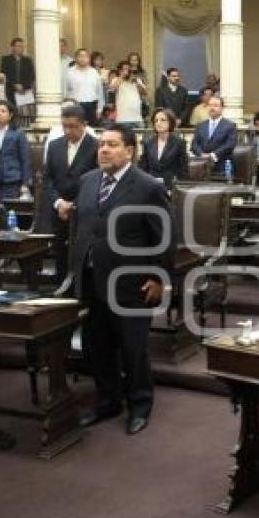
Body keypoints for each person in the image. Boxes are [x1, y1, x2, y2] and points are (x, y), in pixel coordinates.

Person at [73, 123, 173, 436]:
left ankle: (140, 405)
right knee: (97, 346)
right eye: (101, 143)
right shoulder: (87, 181)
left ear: (129, 150)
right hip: (91, 279)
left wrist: (160, 279)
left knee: (133, 349)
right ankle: (108, 401)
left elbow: (165, 236)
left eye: (112, 144)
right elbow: (83, 227)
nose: (103, 149)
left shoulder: (147, 186)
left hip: (131, 283)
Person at [44, 104, 98, 285]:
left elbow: (97, 182)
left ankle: (81, 294)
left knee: (81, 255)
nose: (68, 131)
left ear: (84, 125)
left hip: (84, 212)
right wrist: (59, 202)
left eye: (73, 126)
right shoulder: (54, 146)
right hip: (58, 210)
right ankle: (61, 294)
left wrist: (74, 204)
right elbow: (47, 180)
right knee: (60, 253)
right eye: (65, 126)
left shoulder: (96, 146)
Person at [0, 100, 31, 202]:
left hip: (12, 181)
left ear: (10, 115)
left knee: (10, 214)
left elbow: (25, 160)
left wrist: (25, 184)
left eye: (3, 111)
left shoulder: (18, 133)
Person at [139, 108, 189, 187]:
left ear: (171, 122)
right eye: (156, 121)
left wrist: (180, 189)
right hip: (150, 185)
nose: (159, 123)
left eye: (163, 120)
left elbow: (183, 171)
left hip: (171, 186)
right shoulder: (148, 142)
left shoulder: (179, 143)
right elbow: (143, 168)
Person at [190, 94, 236, 174]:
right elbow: (194, 144)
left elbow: (229, 145)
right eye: (210, 105)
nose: (212, 108)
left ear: (222, 108)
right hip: (200, 167)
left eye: (215, 105)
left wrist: (213, 155)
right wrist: (201, 155)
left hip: (221, 166)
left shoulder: (230, 125)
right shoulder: (201, 125)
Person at [64, 49, 104, 125]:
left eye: (85, 56)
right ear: (75, 58)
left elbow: (100, 92)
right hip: (75, 106)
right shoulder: (69, 72)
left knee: (91, 130)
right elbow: (65, 91)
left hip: (91, 106)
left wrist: (99, 109)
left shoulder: (94, 72)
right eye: (80, 56)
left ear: (89, 59)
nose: (83, 58)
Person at [0, 37, 35, 111]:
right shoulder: (5, 59)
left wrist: (23, 86)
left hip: (25, 92)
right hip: (10, 91)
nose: (20, 48)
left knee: (25, 114)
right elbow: (4, 75)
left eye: (22, 46)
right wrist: (15, 85)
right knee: (11, 111)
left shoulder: (28, 60)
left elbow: (32, 76)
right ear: (12, 47)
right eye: (18, 46)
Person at [110, 60, 146, 128]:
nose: (127, 71)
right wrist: (122, 77)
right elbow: (112, 89)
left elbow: (145, 92)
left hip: (137, 118)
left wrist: (136, 82)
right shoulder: (116, 80)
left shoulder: (136, 80)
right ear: (120, 71)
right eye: (125, 69)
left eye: (128, 69)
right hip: (123, 119)